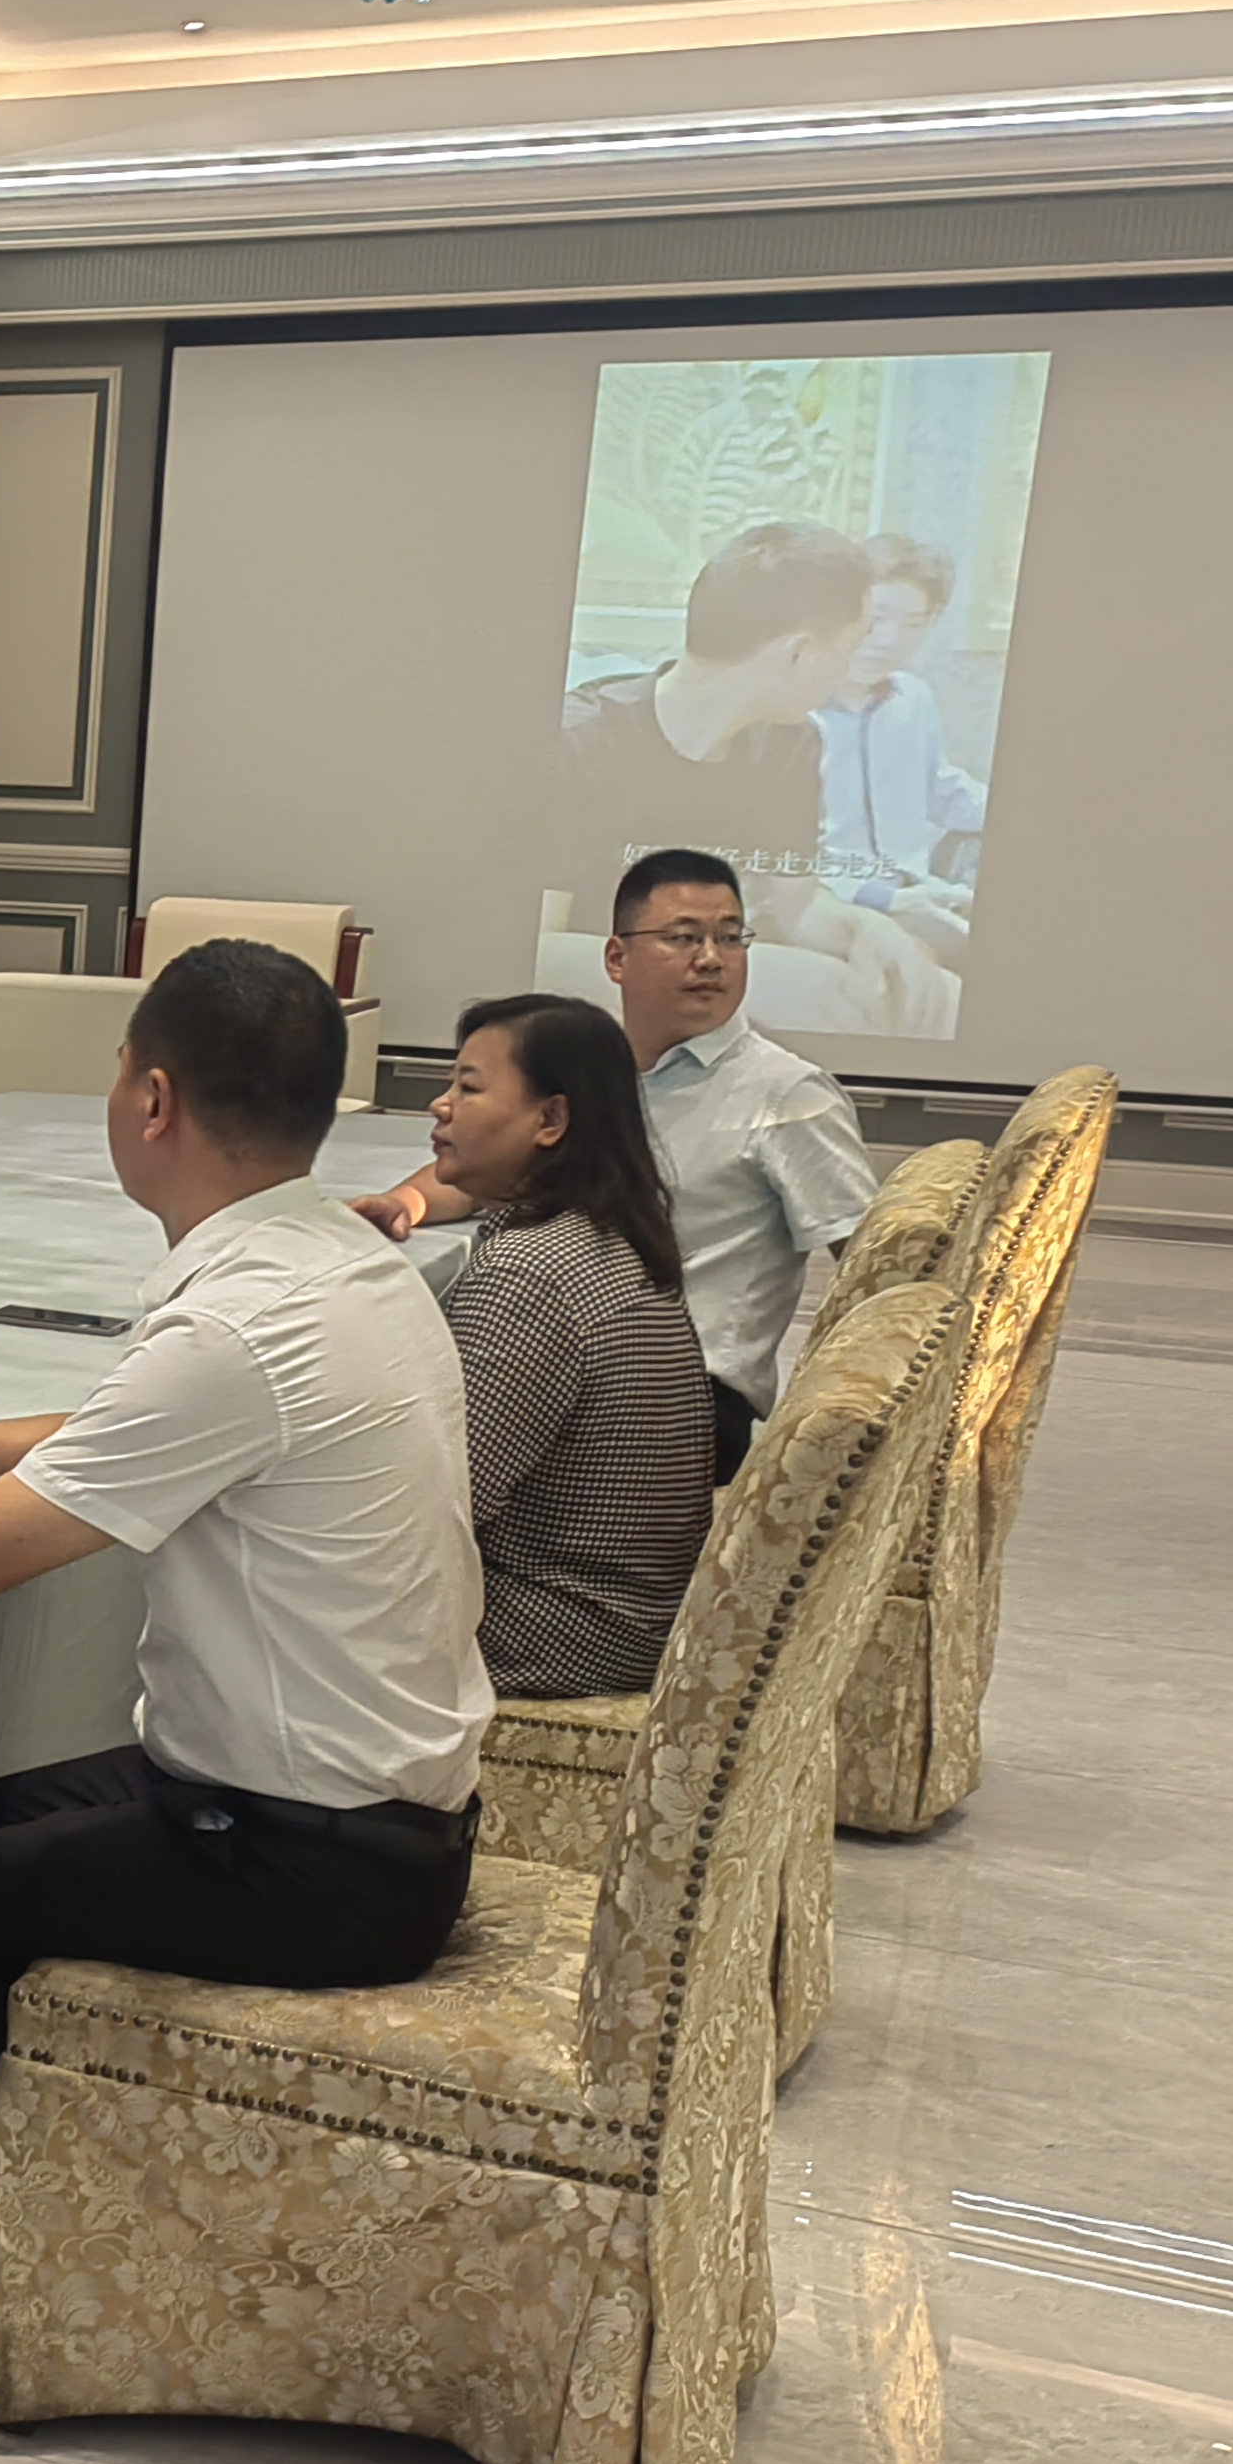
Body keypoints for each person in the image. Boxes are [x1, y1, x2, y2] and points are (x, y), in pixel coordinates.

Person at [0, 940, 491, 2139]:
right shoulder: (347, 1263)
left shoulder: (239, 1323)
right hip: (384, 1813)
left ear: (153, 1098)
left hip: (319, 1863)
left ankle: (84, 2189)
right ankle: (87, 2104)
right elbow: (151, 1433)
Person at [364, 850, 875, 1484]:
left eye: (729, 937)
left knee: (405, 1467)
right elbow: (486, 1172)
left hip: (680, 1397)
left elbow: (876, 1263)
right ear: (616, 958)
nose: (710, 959)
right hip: (559, 1355)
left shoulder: (788, 1095)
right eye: (683, 938)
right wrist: (405, 1205)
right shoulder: (597, 1071)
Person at [419, 992, 712, 1697]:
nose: (440, 1105)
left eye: (468, 1088)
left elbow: (440, 1509)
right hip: (620, 1621)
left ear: (550, 1120)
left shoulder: (531, 1274)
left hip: (555, 1635)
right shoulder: (604, 1233)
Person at [555, 518, 949, 1033]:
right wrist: (723, 975)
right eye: (849, 649)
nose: (847, 668)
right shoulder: (579, 740)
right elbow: (536, 947)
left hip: (733, 1009)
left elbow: (797, 909)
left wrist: (867, 930)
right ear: (799, 652)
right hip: (592, 1030)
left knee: (934, 999)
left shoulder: (792, 743)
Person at [815, 534, 988, 925]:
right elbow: (775, 859)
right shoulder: (792, 713)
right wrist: (885, 898)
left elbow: (941, 790)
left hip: (920, 890)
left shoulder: (913, 698)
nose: (890, 641)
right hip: (835, 902)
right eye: (876, 620)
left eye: (913, 624)